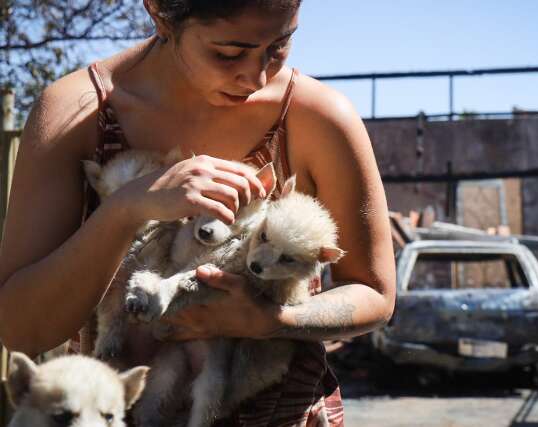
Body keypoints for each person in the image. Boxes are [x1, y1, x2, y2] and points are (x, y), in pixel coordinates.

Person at [0, 0, 396, 425]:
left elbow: (374, 292)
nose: (258, 76)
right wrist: (128, 207)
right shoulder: (77, 112)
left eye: (280, 45)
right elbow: (23, 329)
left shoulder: (318, 117)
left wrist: (274, 320)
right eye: (228, 53)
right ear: (159, 14)